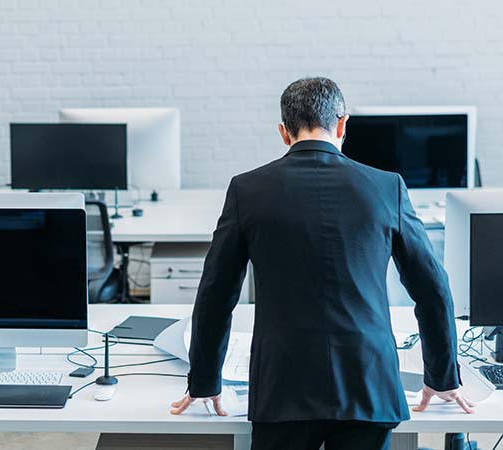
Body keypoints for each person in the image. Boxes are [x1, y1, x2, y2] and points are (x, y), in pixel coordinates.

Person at [170, 77, 473, 450]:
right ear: (343, 124)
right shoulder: (387, 187)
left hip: (283, 390)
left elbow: (216, 295)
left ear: (283, 132)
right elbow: (433, 291)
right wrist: (442, 376)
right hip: (369, 386)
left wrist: (204, 381)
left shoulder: (246, 190)